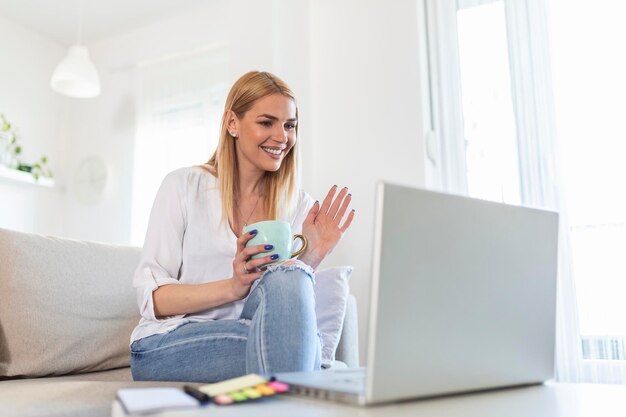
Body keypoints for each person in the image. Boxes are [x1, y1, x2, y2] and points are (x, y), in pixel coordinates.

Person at [130, 71, 355, 382]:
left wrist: (310, 259)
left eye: (290, 126)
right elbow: (153, 300)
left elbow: (284, 303)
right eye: (267, 122)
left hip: (255, 332)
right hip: (168, 341)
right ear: (232, 123)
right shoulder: (184, 186)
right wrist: (233, 287)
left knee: (289, 305)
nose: (282, 137)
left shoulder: (298, 206)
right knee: (300, 351)